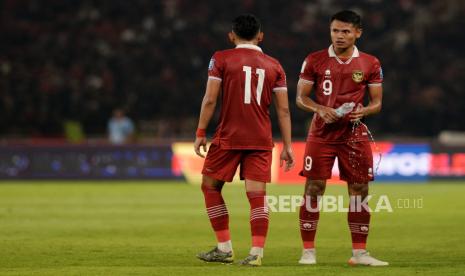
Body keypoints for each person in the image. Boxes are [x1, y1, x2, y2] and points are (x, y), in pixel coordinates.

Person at [194, 14, 294, 266]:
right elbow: (283, 110)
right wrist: (288, 146)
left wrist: (200, 132)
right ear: (260, 36)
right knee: (257, 196)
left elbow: (210, 99)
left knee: (210, 187)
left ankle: (224, 248)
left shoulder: (221, 58)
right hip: (260, 138)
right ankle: (256, 254)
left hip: (229, 136)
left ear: (231, 36)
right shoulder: (275, 65)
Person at [295, 10, 388, 266]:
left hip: (354, 136)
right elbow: (301, 97)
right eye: (335, 30)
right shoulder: (314, 60)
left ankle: (359, 253)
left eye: (345, 31)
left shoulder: (370, 63)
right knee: (314, 188)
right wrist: (319, 109)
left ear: (358, 33)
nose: (339, 36)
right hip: (321, 134)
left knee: (359, 190)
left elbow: (377, 103)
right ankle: (308, 251)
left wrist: (364, 110)